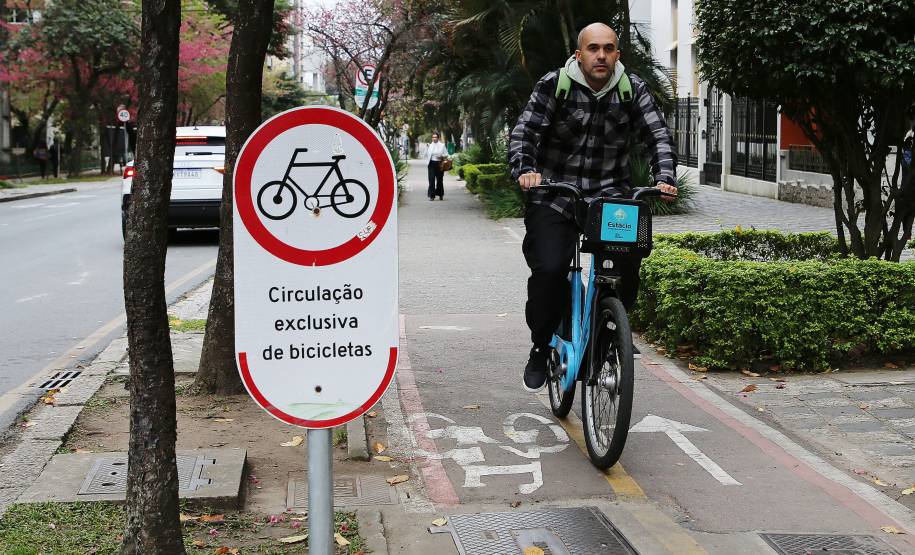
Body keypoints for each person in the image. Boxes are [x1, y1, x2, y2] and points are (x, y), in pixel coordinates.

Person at [508, 22, 678, 392]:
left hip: (610, 195)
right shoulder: (555, 85)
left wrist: (664, 175)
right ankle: (541, 346)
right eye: (593, 49)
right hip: (556, 192)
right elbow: (526, 132)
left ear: (617, 53)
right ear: (579, 54)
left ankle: (611, 327)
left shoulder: (632, 89)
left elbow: (657, 135)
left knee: (627, 262)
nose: (601, 55)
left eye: (609, 49)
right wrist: (526, 169)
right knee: (550, 270)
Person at [426, 132, 449, 200]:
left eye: (435, 137)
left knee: (439, 180)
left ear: (438, 138)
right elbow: (426, 155)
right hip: (431, 164)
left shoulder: (442, 145)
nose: (434, 138)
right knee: (431, 179)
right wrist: (427, 148)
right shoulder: (430, 145)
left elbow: (446, 154)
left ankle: (440, 194)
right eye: (433, 137)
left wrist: (441, 156)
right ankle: (432, 196)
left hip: (439, 164)